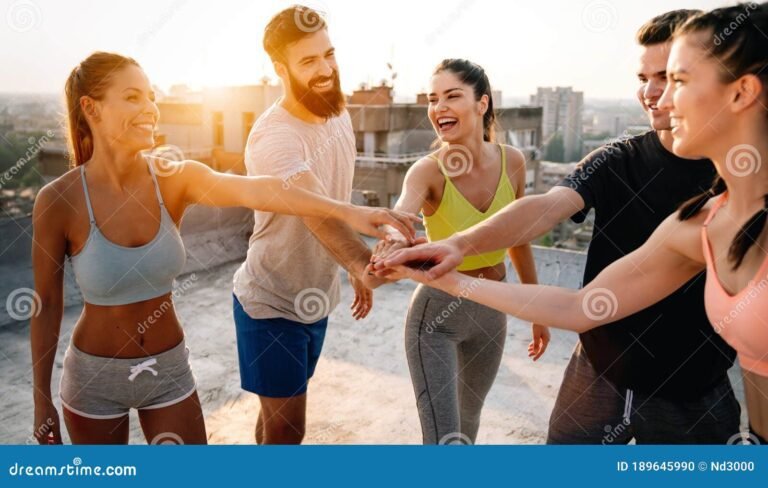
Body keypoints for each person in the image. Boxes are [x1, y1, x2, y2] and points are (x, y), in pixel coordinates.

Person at [382, 3, 768, 444]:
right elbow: (570, 277)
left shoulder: (718, 202)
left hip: (692, 393)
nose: (656, 95)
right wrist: (454, 257)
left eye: (675, 79)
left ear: (741, 92)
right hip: (598, 371)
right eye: (646, 79)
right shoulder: (694, 217)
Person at [31, 51, 418, 445]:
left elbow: (264, 189)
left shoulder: (172, 179)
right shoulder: (59, 201)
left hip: (169, 370)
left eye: (151, 96)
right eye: (133, 97)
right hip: (93, 379)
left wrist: (348, 212)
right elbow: (45, 304)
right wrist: (41, 401)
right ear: (91, 108)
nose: (150, 108)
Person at [231, 5, 398, 445]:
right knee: (289, 430)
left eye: (329, 54)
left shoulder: (338, 114)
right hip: (272, 302)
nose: (325, 69)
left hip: (315, 301)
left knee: (275, 419)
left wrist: (349, 265)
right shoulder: (275, 138)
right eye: (309, 61)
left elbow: (334, 197)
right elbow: (317, 212)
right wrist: (362, 260)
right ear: (279, 68)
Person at [370, 59, 549, 444]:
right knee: (443, 440)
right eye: (433, 100)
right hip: (436, 318)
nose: (438, 108)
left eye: (452, 96)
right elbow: (402, 214)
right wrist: (394, 237)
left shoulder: (513, 162)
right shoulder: (427, 170)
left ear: (482, 104)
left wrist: (536, 311)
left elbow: (519, 238)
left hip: (492, 314)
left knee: (468, 429)